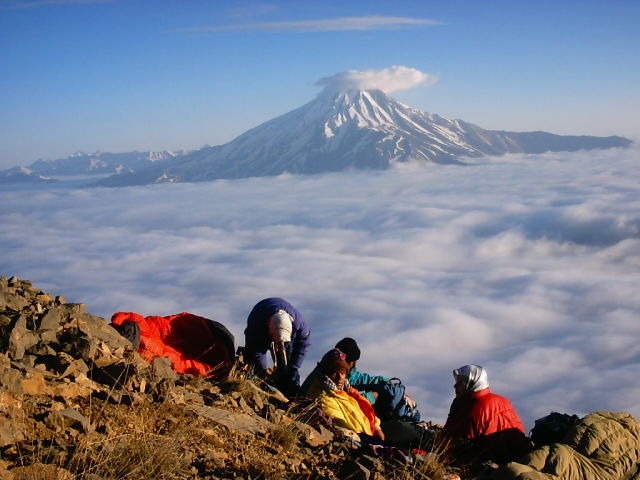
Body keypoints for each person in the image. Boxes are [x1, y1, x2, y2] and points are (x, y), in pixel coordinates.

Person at [442, 364, 532, 463]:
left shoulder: (474, 408)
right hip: (518, 456)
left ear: (470, 383)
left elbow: (452, 443)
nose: (455, 385)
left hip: (490, 462)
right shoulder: (503, 401)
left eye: (459, 382)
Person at [305, 349, 385, 442]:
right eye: (334, 372)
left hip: (366, 436)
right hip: (357, 440)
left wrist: (377, 429)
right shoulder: (322, 396)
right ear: (325, 372)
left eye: (343, 373)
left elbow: (365, 412)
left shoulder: (346, 391)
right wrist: (369, 440)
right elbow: (340, 425)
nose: (340, 377)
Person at [243, 297, 310, 396]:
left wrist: (294, 367)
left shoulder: (300, 324)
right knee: (252, 358)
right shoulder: (257, 323)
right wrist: (263, 371)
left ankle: (291, 394)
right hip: (261, 320)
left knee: (289, 366)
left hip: (287, 335)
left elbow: (304, 344)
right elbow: (257, 350)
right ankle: (255, 388)